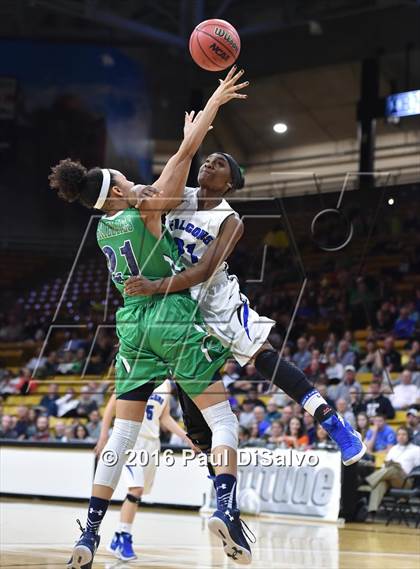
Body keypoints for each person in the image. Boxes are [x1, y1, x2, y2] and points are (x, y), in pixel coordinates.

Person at [52, 69, 254, 568]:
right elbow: (183, 159)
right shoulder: (145, 207)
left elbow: (179, 159)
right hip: (169, 315)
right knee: (223, 418)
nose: (127, 177)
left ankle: (91, 531)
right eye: (121, 178)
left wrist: (192, 138)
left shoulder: (105, 229)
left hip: (131, 325)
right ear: (116, 192)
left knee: (121, 436)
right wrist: (212, 107)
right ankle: (226, 508)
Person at [124, 146, 366, 466]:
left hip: (216, 296)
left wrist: (155, 285)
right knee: (191, 390)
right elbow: (144, 198)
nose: (209, 163)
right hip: (179, 302)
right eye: (208, 160)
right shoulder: (181, 194)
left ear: (229, 183)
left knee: (262, 355)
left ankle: (334, 423)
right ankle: (222, 491)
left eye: (219, 163)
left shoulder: (231, 221)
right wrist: (142, 188)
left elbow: (205, 270)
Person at [96, 380, 196, 561]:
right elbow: (112, 406)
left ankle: (118, 536)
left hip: (151, 443)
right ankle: (124, 537)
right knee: (136, 489)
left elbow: (164, 417)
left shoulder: (166, 384)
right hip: (130, 439)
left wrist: (186, 438)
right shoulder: (137, 372)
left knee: (137, 493)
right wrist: (103, 436)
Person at [365, 426, 420, 515]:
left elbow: (418, 468)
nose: (401, 436)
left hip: (406, 480)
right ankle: (372, 510)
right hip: (390, 477)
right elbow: (384, 465)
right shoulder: (393, 449)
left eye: (404, 434)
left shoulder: (416, 449)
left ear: (409, 436)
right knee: (381, 482)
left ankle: (367, 481)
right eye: (398, 434)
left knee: (394, 468)